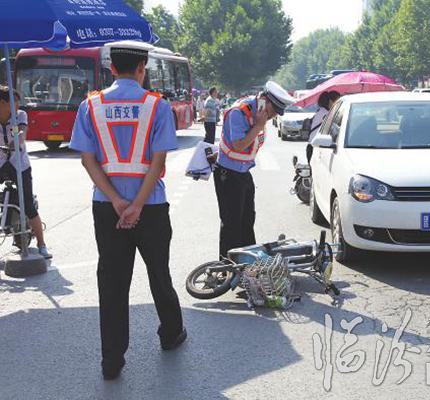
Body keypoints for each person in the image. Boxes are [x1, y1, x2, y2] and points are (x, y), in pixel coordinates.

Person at [69, 41, 186, 380]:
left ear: (111, 68)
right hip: (151, 207)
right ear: (141, 68)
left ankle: (112, 361)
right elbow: (158, 162)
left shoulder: (91, 106)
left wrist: (118, 201)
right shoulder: (157, 106)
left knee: (112, 282)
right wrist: (136, 205)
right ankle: (171, 334)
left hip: (107, 208)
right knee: (159, 273)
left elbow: (87, 160)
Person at [214, 81, 294, 258]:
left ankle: (247, 263)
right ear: (264, 100)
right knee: (231, 224)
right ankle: (227, 266)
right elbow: (239, 145)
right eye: (274, 110)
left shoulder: (258, 114)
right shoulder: (239, 112)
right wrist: (258, 126)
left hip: (243, 173)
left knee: (247, 221)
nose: (273, 116)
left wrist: (259, 123)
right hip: (228, 175)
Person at [0, 87, 52, 258]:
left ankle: (42, 244)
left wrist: (17, 140)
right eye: (14, 101)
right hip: (1, 163)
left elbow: (22, 132)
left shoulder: (20, 115)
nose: (18, 105)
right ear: (3, 103)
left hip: (19, 164)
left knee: (28, 205)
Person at [306, 90, 341, 163]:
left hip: (312, 147)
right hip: (315, 148)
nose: (339, 105)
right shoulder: (326, 114)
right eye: (337, 101)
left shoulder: (321, 111)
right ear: (331, 101)